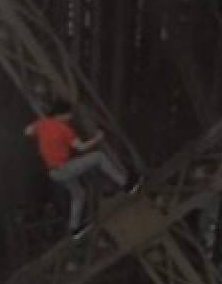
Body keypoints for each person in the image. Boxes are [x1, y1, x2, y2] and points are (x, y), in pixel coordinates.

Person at [24, 101, 141, 239]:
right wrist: (97, 138)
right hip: (65, 168)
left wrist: (39, 128)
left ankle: (75, 229)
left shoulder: (43, 124)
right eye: (68, 115)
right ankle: (127, 185)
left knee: (79, 194)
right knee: (99, 157)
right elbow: (81, 147)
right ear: (62, 115)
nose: (70, 118)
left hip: (54, 173)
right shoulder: (65, 130)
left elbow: (27, 131)